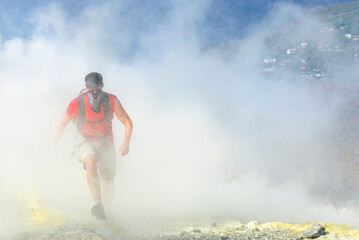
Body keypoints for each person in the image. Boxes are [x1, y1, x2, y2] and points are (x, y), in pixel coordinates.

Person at [55, 72, 133, 220]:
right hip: (84, 140)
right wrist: (54, 144)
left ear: (101, 86)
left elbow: (127, 122)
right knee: (91, 161)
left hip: (106, 142)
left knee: (108, 179)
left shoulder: (111, 100)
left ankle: (106, 211)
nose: (95, 93)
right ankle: (98, 203)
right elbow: (62, 124)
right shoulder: (76, 102)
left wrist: (126, 142)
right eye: (93, 89)